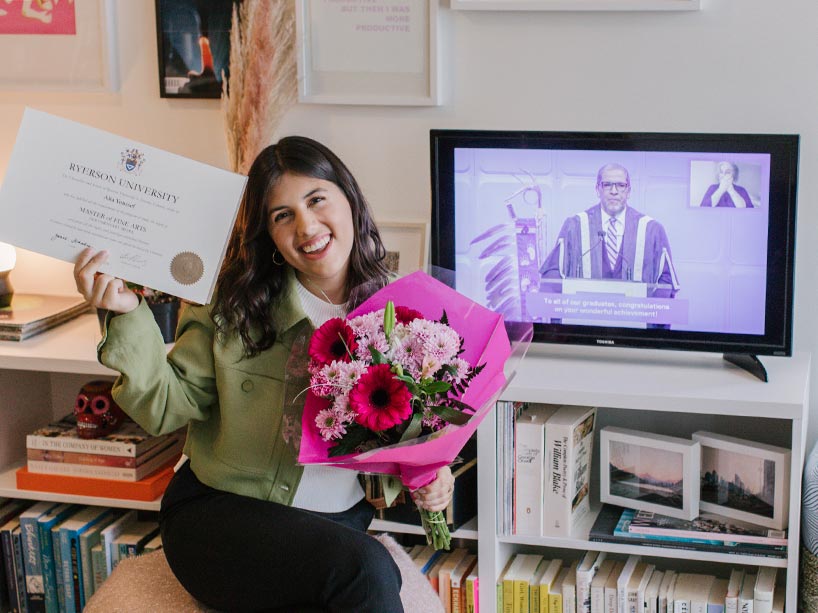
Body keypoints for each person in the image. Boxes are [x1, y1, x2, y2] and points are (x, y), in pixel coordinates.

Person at [73, 136, 455, 612]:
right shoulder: (233, 306)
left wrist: (432, 474)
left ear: (349, 200)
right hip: (218, 518)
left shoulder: (403, 318)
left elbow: (406, 436)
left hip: (333, 526)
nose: (307, 226)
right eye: (282, 215)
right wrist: (127, 313)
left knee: (365, 574)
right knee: (368, 571)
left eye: (316, 200)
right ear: (269, 236)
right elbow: (166, 407)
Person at [539, 163, 679, 299]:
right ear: (597, 189)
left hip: (636, 318)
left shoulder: (652, 230)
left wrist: (651, 315)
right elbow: (553, 274)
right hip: (584, 318)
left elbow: (666, 282)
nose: (614, 191)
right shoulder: (575, 226)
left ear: (628, 191)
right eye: (607, 185)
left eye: (620, 185)